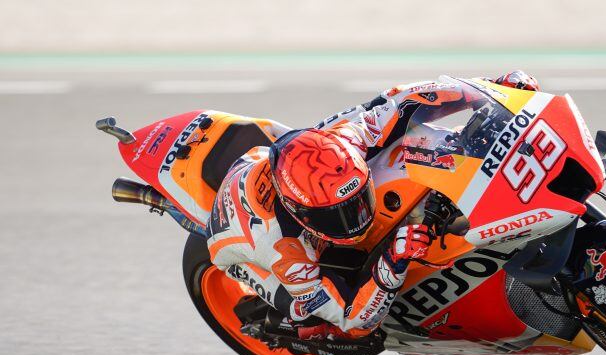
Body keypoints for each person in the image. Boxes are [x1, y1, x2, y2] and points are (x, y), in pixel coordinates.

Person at [206, 71, 540, 340]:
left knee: (422, 144)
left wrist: (493, 91)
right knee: (318, 322)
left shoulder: (350, 138)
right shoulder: (283, 249)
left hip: (276, 164)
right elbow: (354, 319)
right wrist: (392, 260)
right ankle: (283, 322)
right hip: (235, 243)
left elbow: (408, 98)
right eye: (336, 216)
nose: (355, 220)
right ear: (301, 213)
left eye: (357, 202)